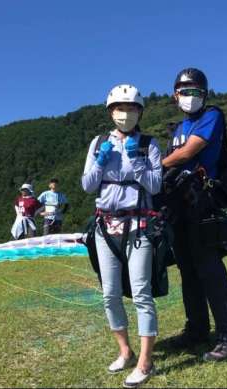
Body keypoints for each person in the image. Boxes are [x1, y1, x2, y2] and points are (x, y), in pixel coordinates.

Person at [81, 84, 162, 387]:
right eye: (119, 108)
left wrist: (138, 164)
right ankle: (125, 351)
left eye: (130, 108)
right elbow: (88, 185)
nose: (124, 113)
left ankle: (146, 361)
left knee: (142, 292)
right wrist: (101, 162)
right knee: (109, 293)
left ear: (139, 112)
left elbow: (155, 186)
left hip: (138, 225)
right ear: (110, 111)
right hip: (105, 227)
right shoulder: (99, 142)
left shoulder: (148, 144)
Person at [161, 68, 227, 362]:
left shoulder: (212, 116)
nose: (189, 97)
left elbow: (187, 153)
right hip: (180, 206)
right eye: (184, 91)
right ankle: (196, 330)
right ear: (175, 95)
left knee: (210, 269)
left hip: (204, 203)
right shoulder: (178, 128)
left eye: (195, 91)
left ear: (204, 94)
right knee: (188, 270)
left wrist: (154, 166)